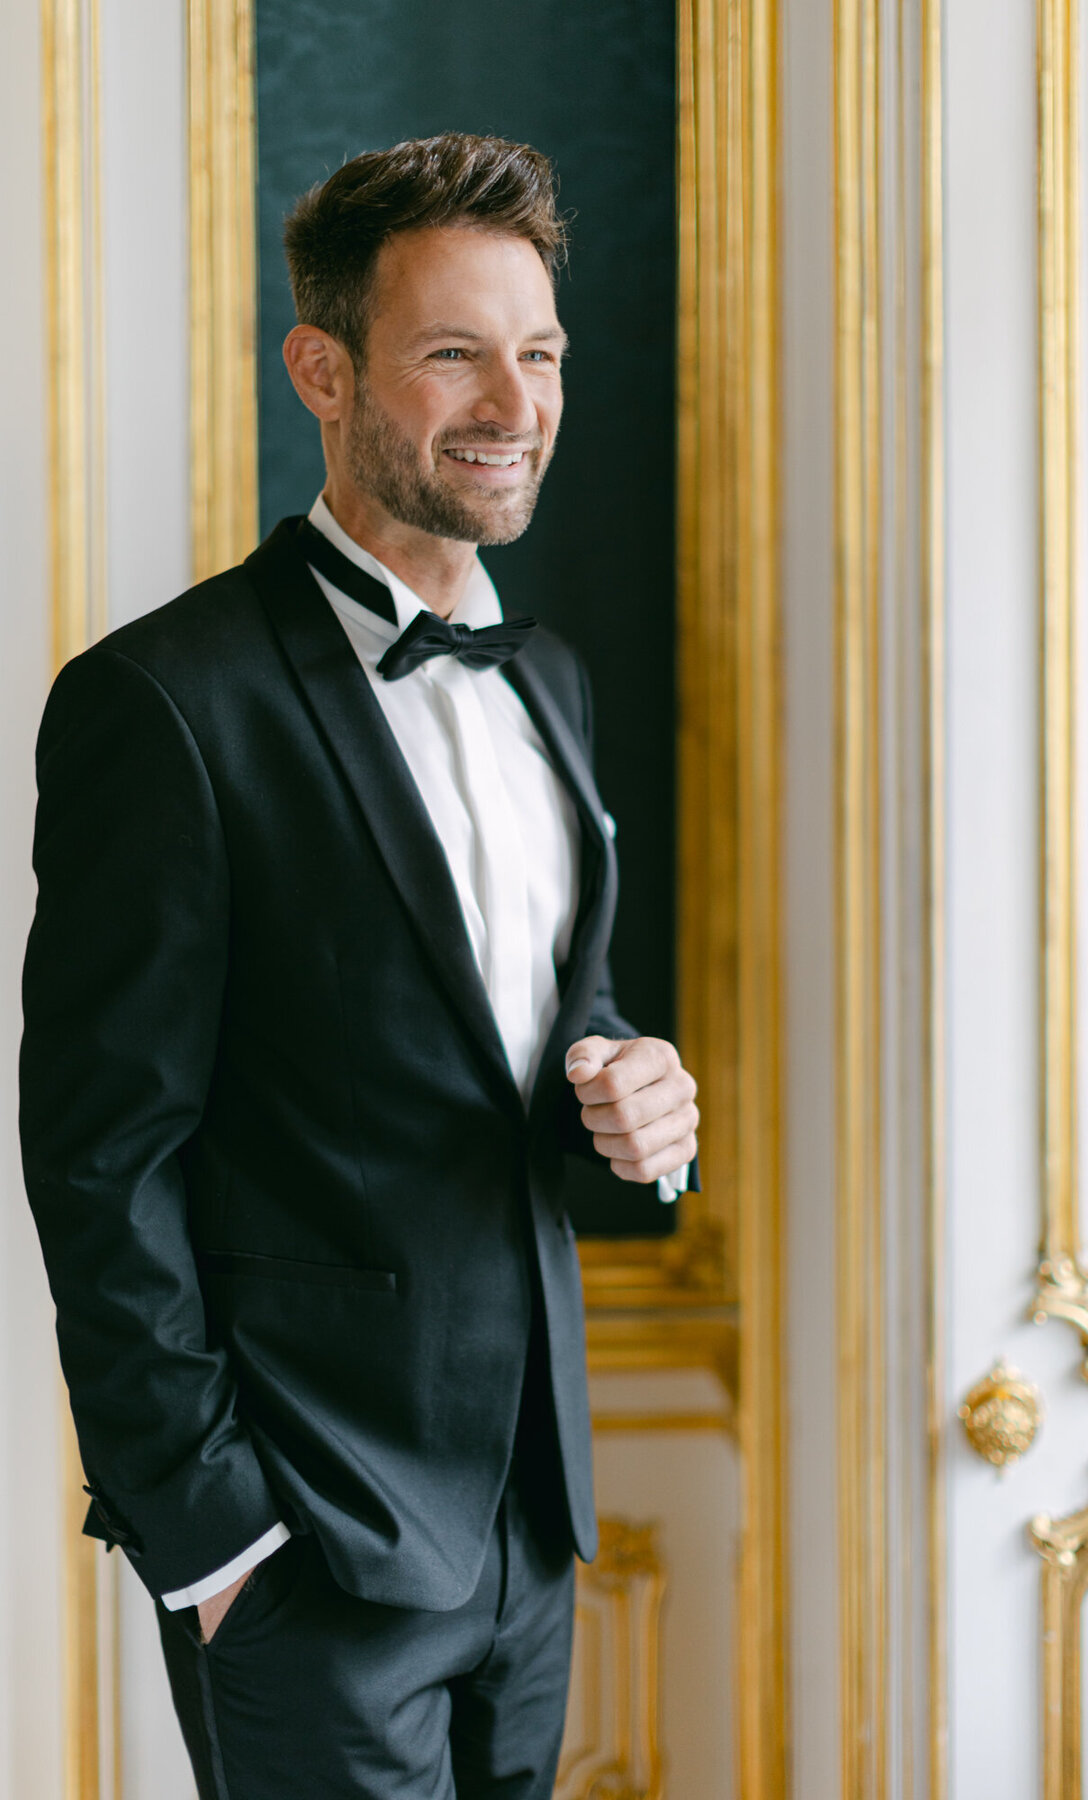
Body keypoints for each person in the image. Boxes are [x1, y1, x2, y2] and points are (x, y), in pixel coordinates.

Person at [19, 134, 698, 1800]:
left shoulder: (551, 681)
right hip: (304, 1547)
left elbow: (537, 1022)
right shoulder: (162, 707)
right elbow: (100, 1155)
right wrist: (216, 1542)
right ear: (322, 370)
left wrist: (635, 1090)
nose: (514, 402)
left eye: (537, 353)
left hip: (532, 1531)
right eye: (455, 352)